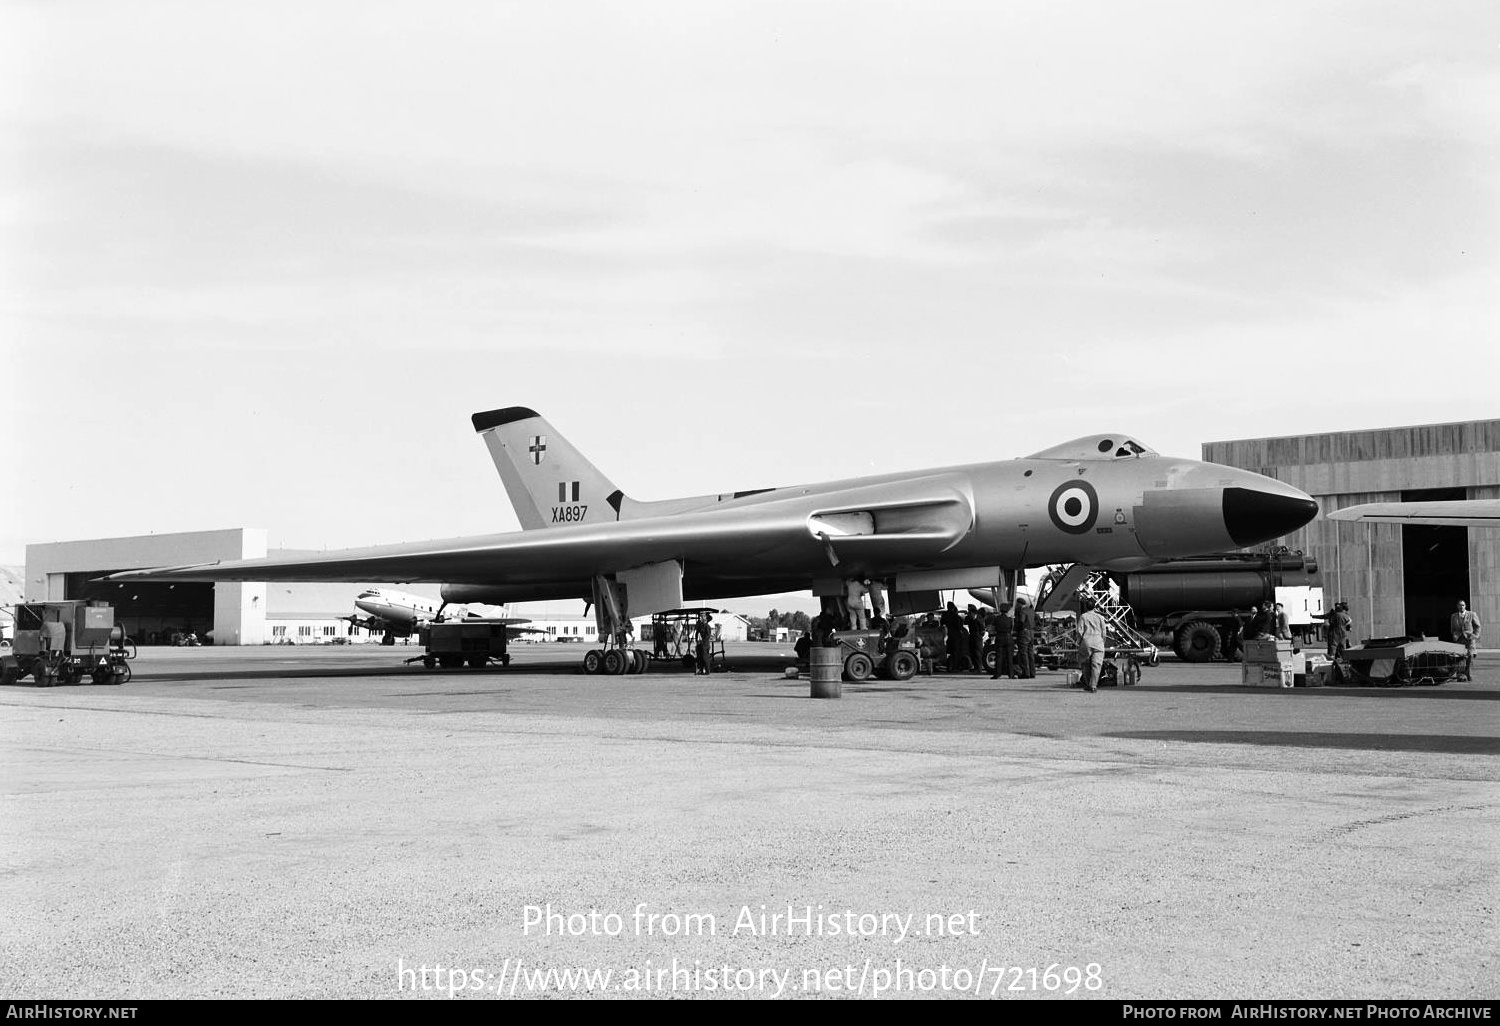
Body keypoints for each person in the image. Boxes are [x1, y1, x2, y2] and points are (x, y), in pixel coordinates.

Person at [1076, 596, 1108, 693]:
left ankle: (1087, 683)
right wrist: (1102, 642)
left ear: (1086, 607)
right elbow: (1104, 632)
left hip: (1087, 642)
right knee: (1096, 665)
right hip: (1098, 642)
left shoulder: (1083, 617)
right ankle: (1093, 686)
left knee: (1085, 663)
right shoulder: (1100, 617)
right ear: (1094, 607)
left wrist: (1079, 642)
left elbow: (1079, 631)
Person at [1450, 600, 1482, 682]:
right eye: (1460, 605)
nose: (1461, 607)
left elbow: (1477, 626)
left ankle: (1468, 674)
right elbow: (1452, 628)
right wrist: (1454, 635)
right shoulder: (1453, 616)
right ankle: (1460, 676)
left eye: (1463, 605)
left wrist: (1475, 636)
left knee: (1470, 657)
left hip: (1469, 639)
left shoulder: (1472, 614)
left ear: (1465, 606)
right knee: (1459, 658)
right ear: (1457, 606)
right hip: (1459, 639)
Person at [941, 601, 969, 672]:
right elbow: (959, 626)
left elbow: (942, 623)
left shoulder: (944, 615)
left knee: (949, 652)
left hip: (948, 635)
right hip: (956, 636)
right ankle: (955, 667)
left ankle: (949, 666)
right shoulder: (956, 616)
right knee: (956, 652)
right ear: (953, 608)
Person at [989, 602, 1015, 680]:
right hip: (1008, 637)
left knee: (999, 656)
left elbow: (992, 628)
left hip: (999, 637)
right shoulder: (1010, 619)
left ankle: (997, 674)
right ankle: (1011, 674)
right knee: (1009, 657)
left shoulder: (996, 618)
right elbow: (1011, 629)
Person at [1014, 597, 1036, 678]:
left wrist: (1017, 630)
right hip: (1031, 632)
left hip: (1024, 633)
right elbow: (1037, 619)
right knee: (1030, 653)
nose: (1016, 605)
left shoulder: (1022, 611)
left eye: (1016, 604)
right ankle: (1032, 672)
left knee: (1023, 653)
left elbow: (1021, 622)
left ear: (1019, 604)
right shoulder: (1031, 611)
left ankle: (1025, 673)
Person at [965, 605, 985, 674]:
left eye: (970, 613)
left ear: (974, 614)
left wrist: (978, 636)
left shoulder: (979, 620)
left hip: (977, 639)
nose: (969, 615)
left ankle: (979, 668)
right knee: (972, 653)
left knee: (978, 654)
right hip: (972, 638)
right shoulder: (970, 620)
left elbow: (982, 631)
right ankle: (975, 667)